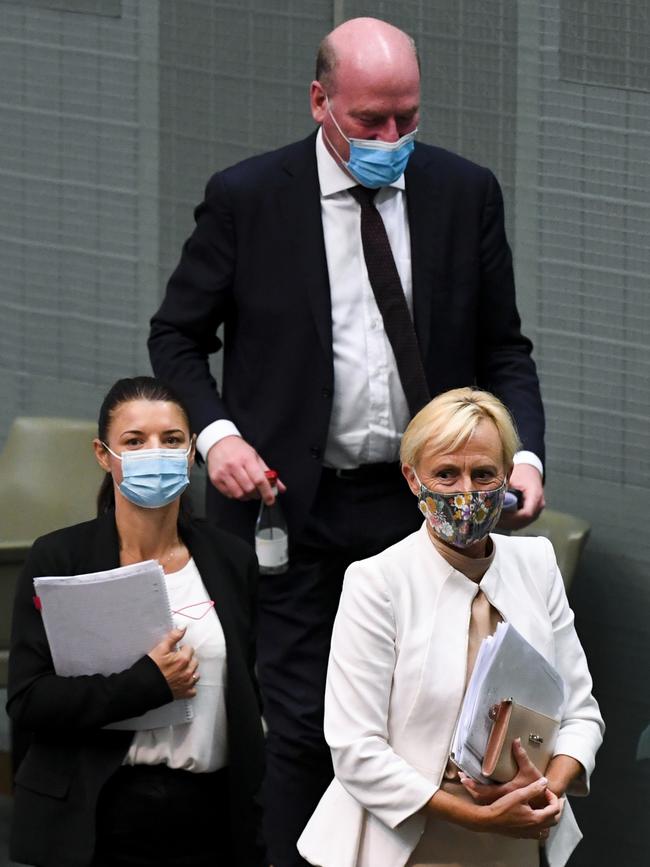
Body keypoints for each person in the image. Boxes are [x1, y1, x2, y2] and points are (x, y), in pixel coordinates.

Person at [148, 17, 546, 866]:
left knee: (424, 721)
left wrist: (524, 456)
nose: (392, 138)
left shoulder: (463, 192)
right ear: (320, 100)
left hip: (426, 511)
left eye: (408, 116)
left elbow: (505, 348)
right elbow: (177, 337)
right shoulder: (249, 197)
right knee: (302, 726)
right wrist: (216, 436)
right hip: (292, 508)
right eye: (371, 120)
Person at [297, 387, 604, 867]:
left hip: (519, 835)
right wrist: (480, 817)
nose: (466, 492)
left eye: (483, 474)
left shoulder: (537, 562)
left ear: (507, 476)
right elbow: (356, 751)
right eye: (445, 474)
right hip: (410, 841)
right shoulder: (377, 582)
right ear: (413, 479)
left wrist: (548, 787)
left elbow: (581, 715)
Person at [7, 376, 265, 867]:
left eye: (171, 440)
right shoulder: (60, 557)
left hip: (210, 813)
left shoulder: (230, 558)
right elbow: (28, 699)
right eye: (135, 441)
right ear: (104, 455)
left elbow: (246, 690)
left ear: (192, 451)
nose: (156, 452)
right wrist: (147, 683)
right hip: (98, 813)